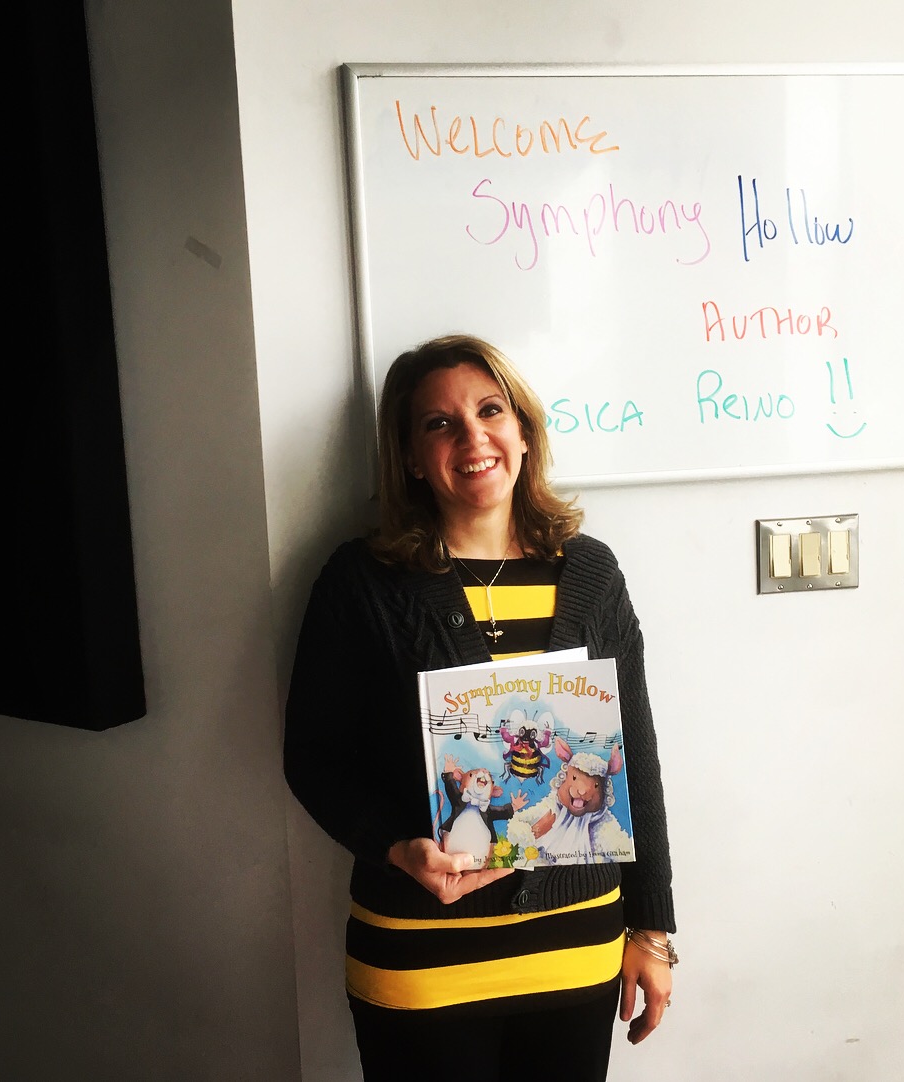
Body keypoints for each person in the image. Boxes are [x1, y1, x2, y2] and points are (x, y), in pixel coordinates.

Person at [284, 334, 676, 1082]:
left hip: (576, 947)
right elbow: (312, 758)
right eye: (439, 423)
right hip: (421, 952)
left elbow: (638, 755)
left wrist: (651, 928)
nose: (473, 438)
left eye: (491, 411)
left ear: (524, 431)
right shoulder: (362, 581)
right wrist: (396, 847)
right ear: (409, 456)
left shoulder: (592, 573)